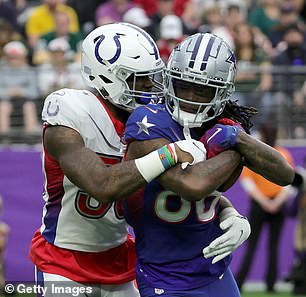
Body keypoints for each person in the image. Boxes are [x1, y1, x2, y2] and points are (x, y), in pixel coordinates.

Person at [29, 23, 207, 297]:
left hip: (120, 260)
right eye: (140, 79)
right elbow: (102, 185)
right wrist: (169, 154)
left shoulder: (150, 122)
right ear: (107, 77)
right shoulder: (71, 110)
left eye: (152, 77)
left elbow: (180, 180)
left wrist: (228, 211)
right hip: (64, 262)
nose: (151, 87)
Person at [123, 32, 296, 296]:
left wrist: (239, 138)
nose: (190, 97)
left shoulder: (224, 126)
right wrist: (236, 151)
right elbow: (192, 185)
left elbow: (285, 174)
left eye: (202, 90)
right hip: (164, 274)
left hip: (214, 270)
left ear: (222, 92)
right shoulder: (148, 120)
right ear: (170, 79)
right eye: (183, 84)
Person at [235, 122, 295, 293]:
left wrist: (265, 203)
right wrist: (275, 202)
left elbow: (248, 183)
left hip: (261, 205)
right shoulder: (282, 154)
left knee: (252, 245)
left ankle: (240, 282)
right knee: (272, 246)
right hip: (277, 204)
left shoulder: (256, 154)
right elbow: (288, 182)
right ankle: (271, 284)